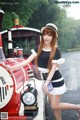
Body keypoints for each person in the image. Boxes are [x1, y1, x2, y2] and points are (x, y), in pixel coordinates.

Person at [7, 23, 80, 120]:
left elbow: (53, 69)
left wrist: (46, 83)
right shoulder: (39, 49)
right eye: (45, 34)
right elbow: (26, 62)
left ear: (54, 37)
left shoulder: (55, 50)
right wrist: (12, 68)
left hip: (55, 81)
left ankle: (78, 107)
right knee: (55, 108)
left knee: (54, 106)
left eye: (50, 35)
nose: (46, 37)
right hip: (46, 81)